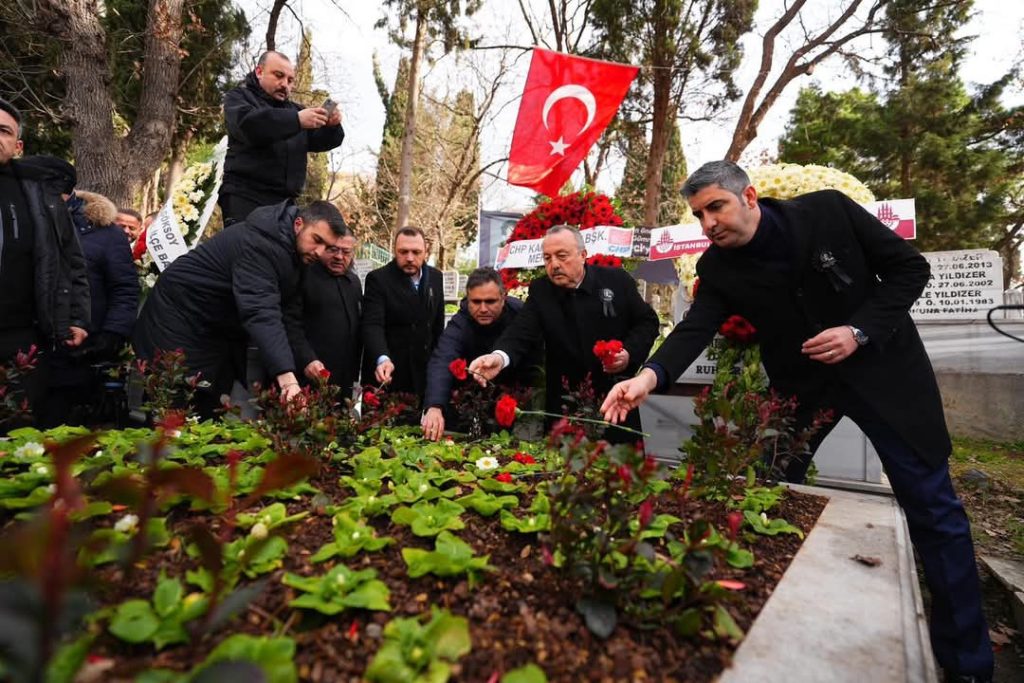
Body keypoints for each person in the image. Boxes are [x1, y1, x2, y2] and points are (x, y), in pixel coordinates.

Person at [599, 160, 993, 683]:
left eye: (716, 206)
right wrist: (648, 378)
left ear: (751, 197)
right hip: (802, 395)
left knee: (933, 510)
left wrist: (858, 330)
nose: (708, 224)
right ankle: (762, 623)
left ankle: (968, 663)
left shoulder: (827, 212)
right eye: (699, 215)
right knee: (768, 494)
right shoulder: (717, 269)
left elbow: (909, 270)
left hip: (886, 379)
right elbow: (694, 328)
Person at [133, 200, 349, 417]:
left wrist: (307, 359)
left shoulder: (297, 254)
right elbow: (261, 311)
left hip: (213, 328)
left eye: (327, 246)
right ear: (298, 224)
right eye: (317, 240)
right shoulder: (261, 245)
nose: (320, 252)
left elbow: (286, 314)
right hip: (177, 319)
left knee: (209, 406)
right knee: (173, 407)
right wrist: (287, 379)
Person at [469, 225, 660, 442]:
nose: (554, 265)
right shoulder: (541, 290)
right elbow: (520, 331)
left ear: (583, 255)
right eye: (547, 258)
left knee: (622, 471)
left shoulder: (616, 281)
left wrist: (628, 353)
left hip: (617, 399)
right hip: (564, 406)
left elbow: (648, 322)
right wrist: (499, 357)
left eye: (561, 256)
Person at [16, 158, 138, 426]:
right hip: (25, 348)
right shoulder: (22, 222)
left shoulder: (105, 233)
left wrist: (111, 335)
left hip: (79, 350)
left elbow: (125, 289)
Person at [0, 98, 90, 424]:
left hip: (22, 335)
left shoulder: (41, 195)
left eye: (4, 131)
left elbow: (71, 258)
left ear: (18, 144)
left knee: (17, 428)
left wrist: (77, 317)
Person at [219, 51, 344, 225]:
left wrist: (332, 126)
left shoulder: (295, 110)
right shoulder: (239, 98)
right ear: (259, 71)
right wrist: (296, 120)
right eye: (278, 76)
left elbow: (321, 140)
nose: (284, 84)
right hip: (246, 196)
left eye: (290, 80)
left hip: (285, 204)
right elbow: (250, 126)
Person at [420, 267, 539, 440]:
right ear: (468, 300)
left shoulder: (520, 314)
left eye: (490, 301)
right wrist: (434, 406)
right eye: (476, 302)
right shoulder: (460, 322)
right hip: (475, 399)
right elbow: (443, 359)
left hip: (518, 396)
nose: (483, 309)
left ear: (503, 298)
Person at [361, 226, 444, 406]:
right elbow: (373, 324)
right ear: (394, 251)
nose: (409, 258)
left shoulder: (436, 278)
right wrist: (382, 357)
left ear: (426, 252)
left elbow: (437, 326)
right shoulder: (378, 279)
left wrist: (439, 365)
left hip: (423, 376)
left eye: (416, 252)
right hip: (389, 375)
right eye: (403, 252)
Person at [290, 221, 363, 396]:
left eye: (346, 252)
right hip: (309, 376)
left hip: (344, 382)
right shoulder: (303, 276)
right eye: (333, 250)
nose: (339, 257)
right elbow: (291, 324)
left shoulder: (353, 282)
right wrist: (307, 359)